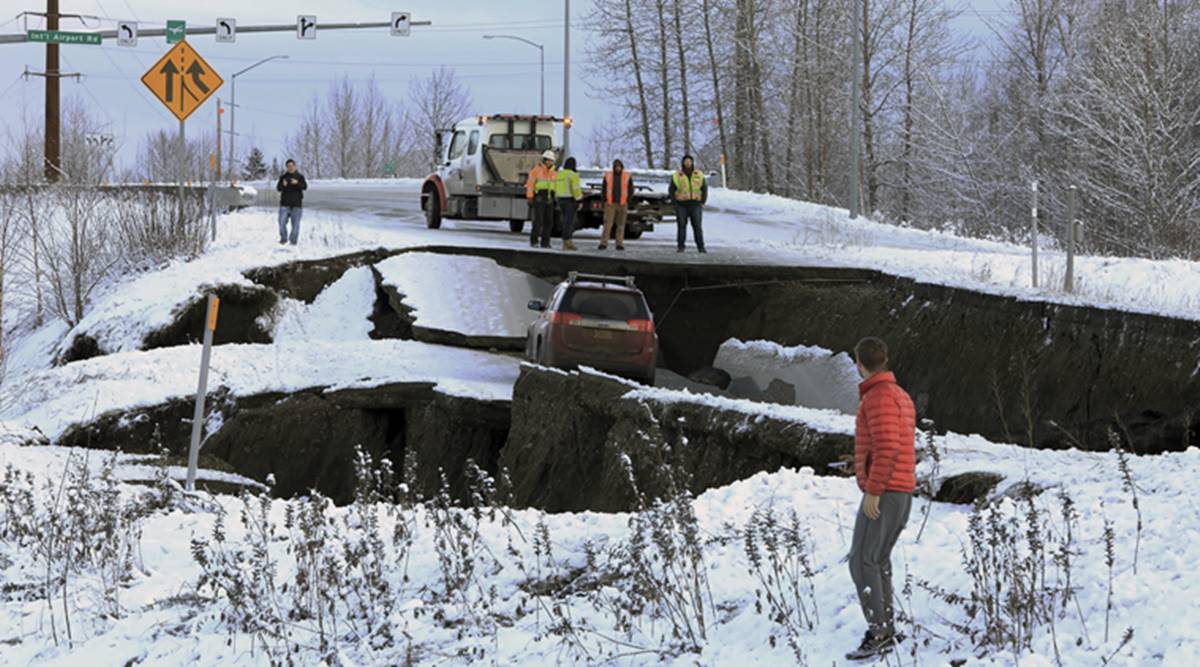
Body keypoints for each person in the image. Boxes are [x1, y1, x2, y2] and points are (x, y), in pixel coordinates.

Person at [845, 337, 917, 661]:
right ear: (885, 360)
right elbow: (889, 444)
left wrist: (873, 490)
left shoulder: (879, 397)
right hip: (898, 489)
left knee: (862, 560)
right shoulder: (899, 394)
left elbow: (888, 447)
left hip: (886, 491)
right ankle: (885, 628)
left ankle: (879, 633)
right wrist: (861, 464)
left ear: (858, 362)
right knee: (877, 559)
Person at [668, 154, 707, 253]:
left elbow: (704, 188)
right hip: (682, 205)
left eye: (689, 161)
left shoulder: (699, 174)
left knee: (697, 226)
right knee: (681, 226)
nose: (688, 163)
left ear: (692, 162)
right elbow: (671, 189)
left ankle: (701, 247)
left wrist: (703, 201)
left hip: (695, 204)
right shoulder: (677, 175)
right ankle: (681, 246)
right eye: (686, 161)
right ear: (683, 163)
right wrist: (674, 203)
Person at [526, 150, 558, 249]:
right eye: (548, 160)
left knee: (549, 222)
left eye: (551, 161)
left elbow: (556, 185)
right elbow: (530, 184)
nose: (550, 162)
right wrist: (530, 196)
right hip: (539, 197)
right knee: (538, 221)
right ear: (544, 160)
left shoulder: (554, 172)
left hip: (549, 198)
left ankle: (545, 242)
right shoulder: (536, 170)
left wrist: (556, 197)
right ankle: (534, 241)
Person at [599, 159, 633, 250]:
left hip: (622, 203)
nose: (618, 168)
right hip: (610, 204)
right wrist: (604, 200)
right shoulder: (608, 176)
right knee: (608, 224)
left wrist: (628, 200)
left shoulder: (627, 176)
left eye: (619, 166)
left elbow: (631, 189)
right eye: (616, 166)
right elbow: (603, 189)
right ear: (613, 167)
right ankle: (604, 243)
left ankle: (619, 243)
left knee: (621, 225)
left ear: (622, 167)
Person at [276, 159, 308, 245]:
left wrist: (297, 183)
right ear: (286, 167)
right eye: (288, 166)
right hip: (284, 204)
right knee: (281, 222)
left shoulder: (300, 176)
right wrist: (283, 185)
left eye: (291, 166)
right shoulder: (283, 177)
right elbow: (278, 188)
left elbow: (305, 187)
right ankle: (283, 238)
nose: (290, 167)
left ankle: (293, 241)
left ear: (294, 166)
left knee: (296, 224)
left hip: (296, 204)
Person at [555, 157, 583, 251]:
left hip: (561, 200)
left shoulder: (560, 174)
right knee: (569, 222)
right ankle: (567, 242)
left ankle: (565, 242)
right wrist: (579, 200)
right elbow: (576, 189)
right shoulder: (572, 175)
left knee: (565, 221)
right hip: (570, 201)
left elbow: (555, 186)